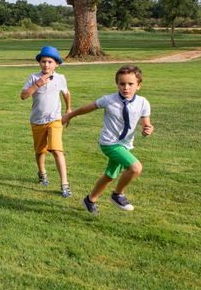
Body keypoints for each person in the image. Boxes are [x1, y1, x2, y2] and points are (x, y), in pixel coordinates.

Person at [62, 65, 154, 214]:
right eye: (122, 84)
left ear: (138, 85)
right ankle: (117, 194)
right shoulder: (108, 100)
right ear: (117, 84)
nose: (126, 88)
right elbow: (86, 108)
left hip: (125, 145)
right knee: (135, 167)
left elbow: (146, 125)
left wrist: (148, 129)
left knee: (110, 176)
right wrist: (69, 115)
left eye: (130, 84)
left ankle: (90, 200)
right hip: (109, 143)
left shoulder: (143, 102)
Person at [21, 45, 72, 198]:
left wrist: (68, 109)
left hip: (55, 120)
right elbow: (23, 96)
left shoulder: (60, 78)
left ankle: (65, 184)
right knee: (40, 151)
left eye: (50, 62)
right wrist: (37, 85)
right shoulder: (33, 77)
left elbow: (66, 92)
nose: (46, 65)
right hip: (37, 121)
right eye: (43, 61)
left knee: (57, 150)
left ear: (56, 64)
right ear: (39, 63)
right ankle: (42, 172)